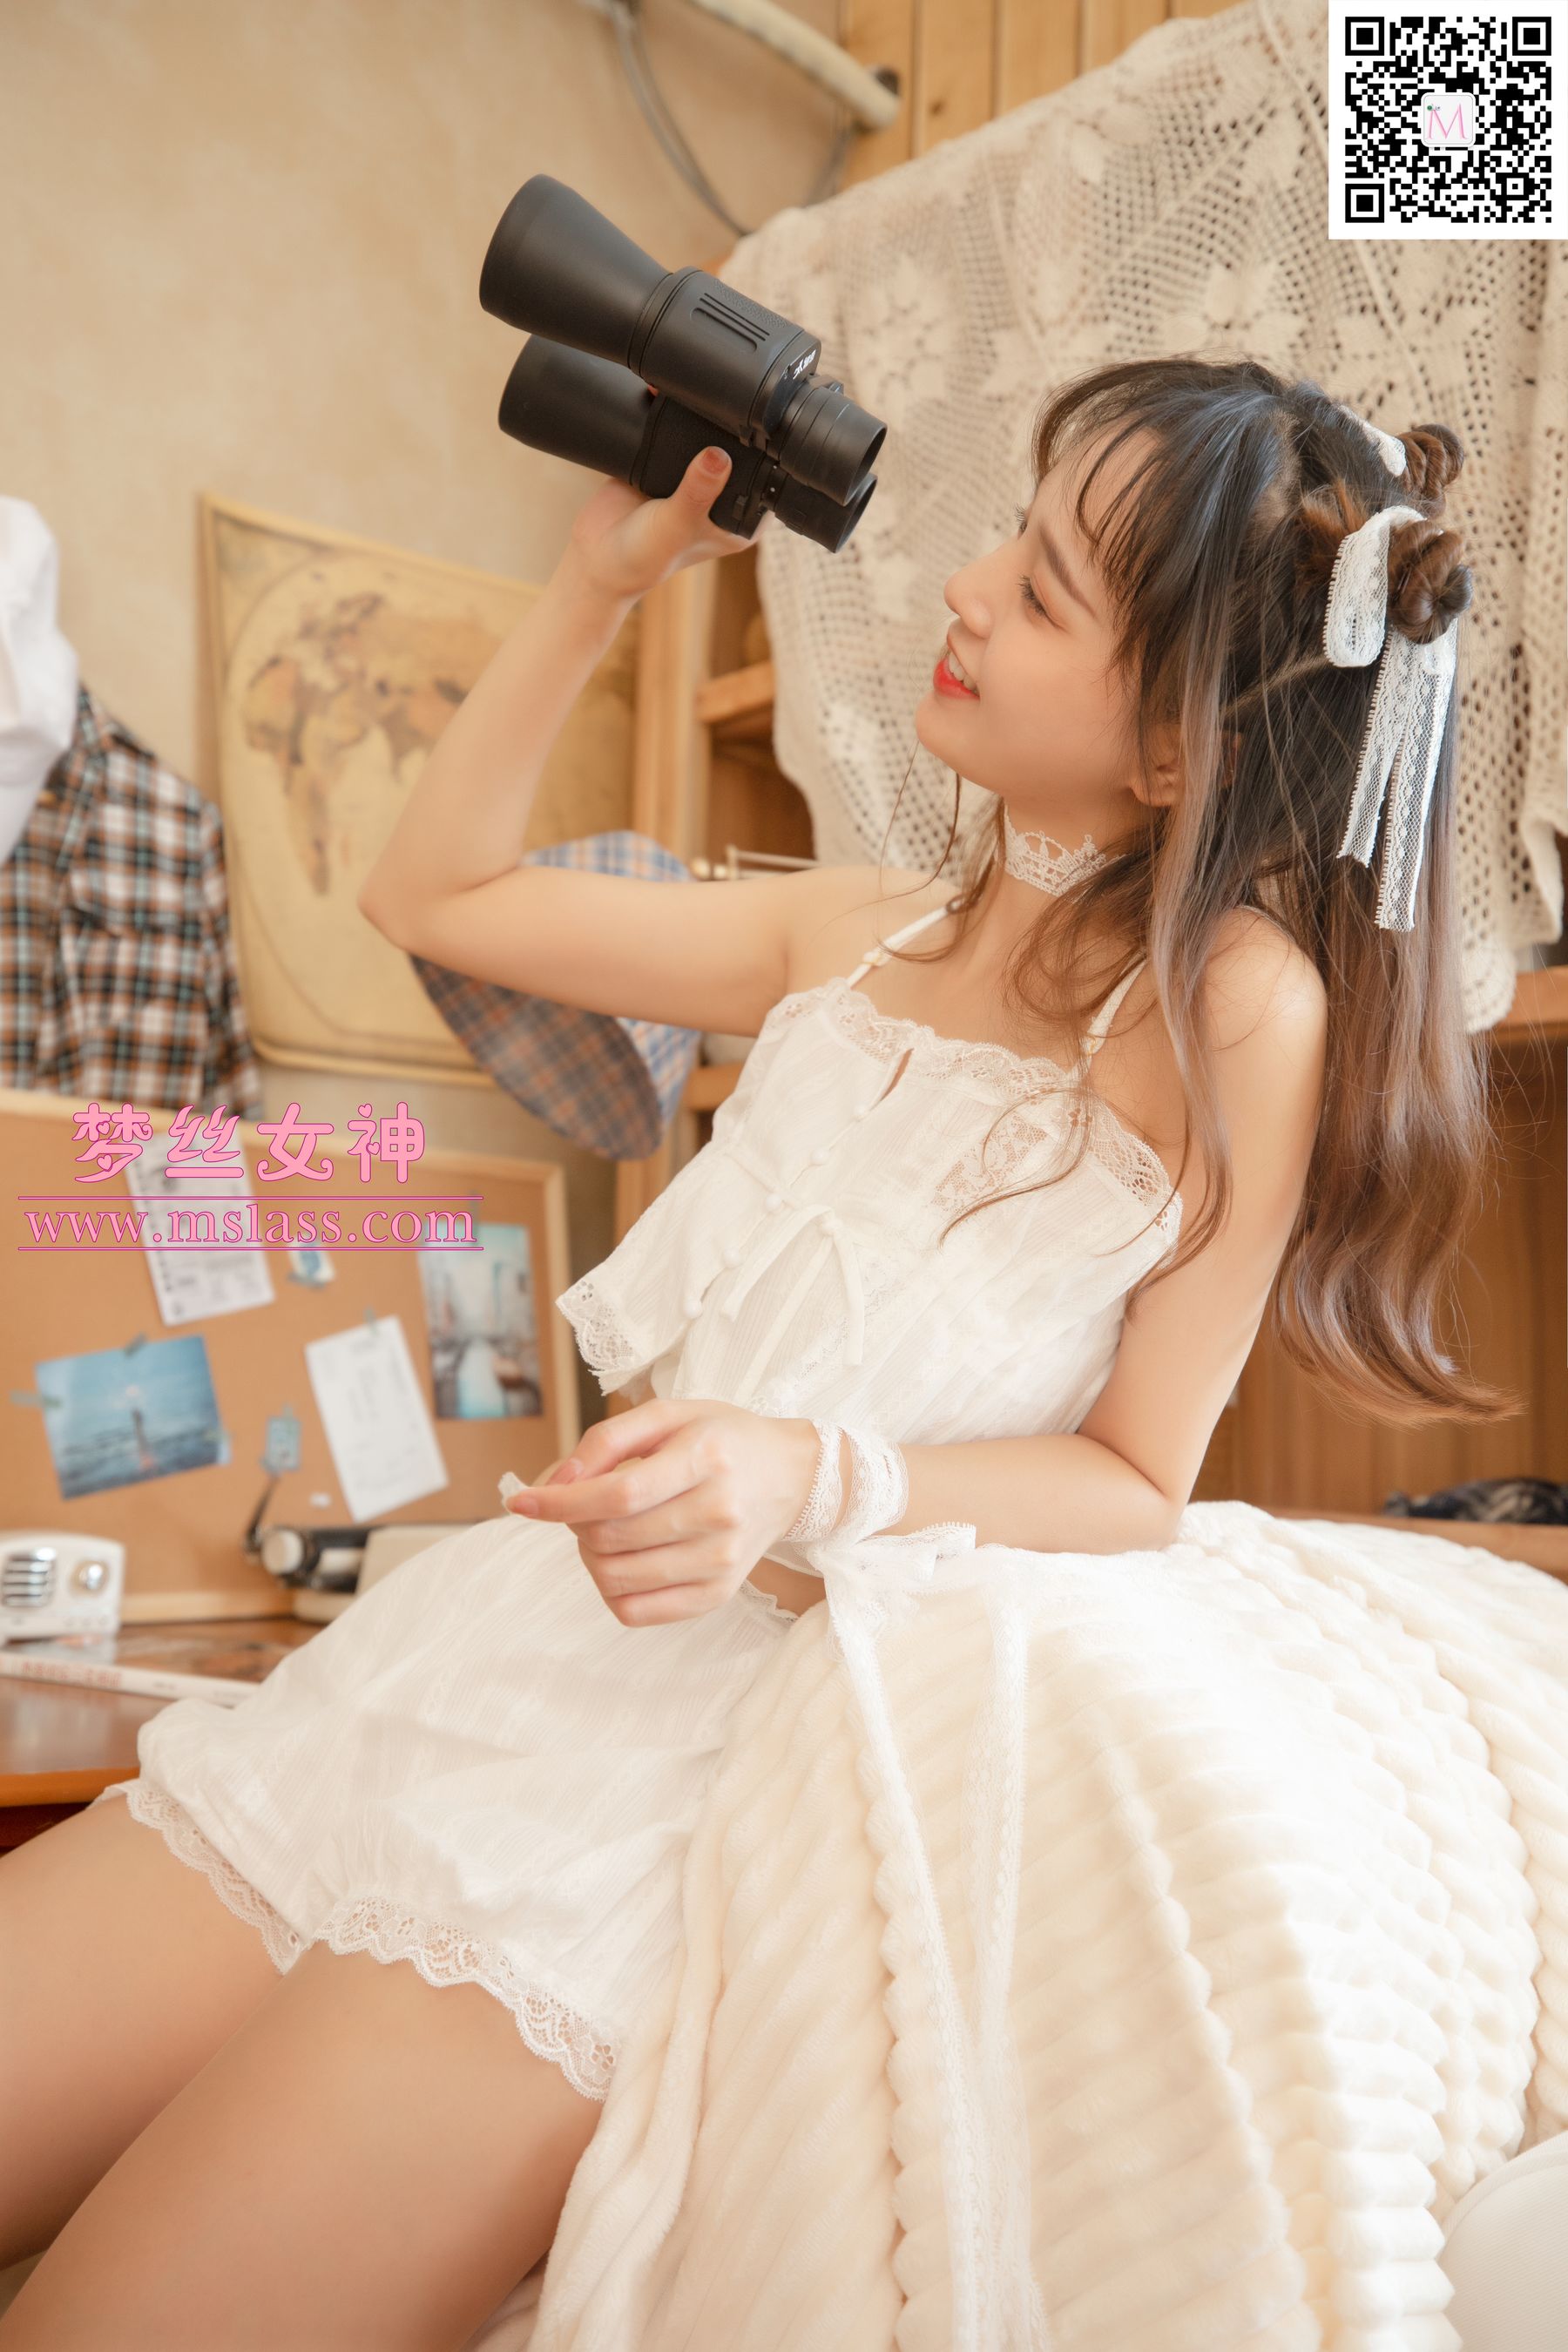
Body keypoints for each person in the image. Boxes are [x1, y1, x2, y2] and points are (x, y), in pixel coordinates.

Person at [0, 357, 1506, 2349]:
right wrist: (600, 583)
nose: (966, 586)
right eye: (1012, 534)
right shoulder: (853, 931)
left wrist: (812, 1472)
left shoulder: (1238, 1015)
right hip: (460, 1667)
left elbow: (1142, 1482)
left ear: (1175, 748)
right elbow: (428, 892)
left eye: (1044, 585)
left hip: (668, 1798)